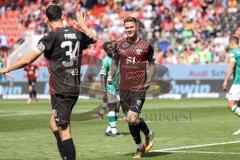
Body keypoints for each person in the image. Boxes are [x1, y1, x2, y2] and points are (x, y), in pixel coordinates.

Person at [0, 4, 97, 160]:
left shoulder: (51, 36)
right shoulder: (76, 33)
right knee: (54, 123)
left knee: (64, 130)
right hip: (72, 86)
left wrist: (8, 68)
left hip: (61, 89)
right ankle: (64, 156)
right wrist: (83, 25)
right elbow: (93, 38)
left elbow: (27, 60)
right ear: (62, 16)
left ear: (46, 19)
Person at [108, 16, 155, 158]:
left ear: (137, 27)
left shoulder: (146, 45)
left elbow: (151, 64)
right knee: (130, 120)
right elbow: (115, 62)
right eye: (127, 27)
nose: (129, 30)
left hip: (139, 87)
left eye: (131, 27)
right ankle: (140, 147)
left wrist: (149, 80)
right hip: (124, 87)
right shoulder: (119, 45)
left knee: (132, 117)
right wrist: (111, 75)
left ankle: (148, 133)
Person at [100, 41, 122, 137]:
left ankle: (109, 129)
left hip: (118, 86)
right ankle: (114, 131)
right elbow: (102, 76)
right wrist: (104, 91)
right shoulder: (106, 60)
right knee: (112, 107)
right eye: (109, 48)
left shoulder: (118, 58)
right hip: (110, 87)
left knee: (117, 108)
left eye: (112, 47)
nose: (112, 48)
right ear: (105, 50)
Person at [222, 36, 240, 135]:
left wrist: (225, 81)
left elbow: (232, 67)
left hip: (238, 82)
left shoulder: (233, 52)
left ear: (232, 43)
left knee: (231, 105)